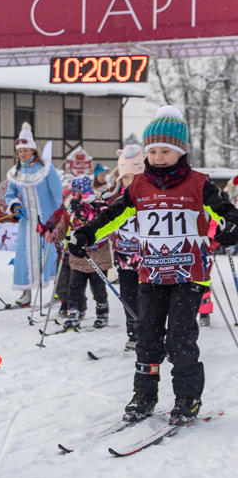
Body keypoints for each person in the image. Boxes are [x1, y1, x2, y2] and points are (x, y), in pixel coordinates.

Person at [70, 106, 238, 424]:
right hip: (153, 272)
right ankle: (144, 394)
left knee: (180, 336)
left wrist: (232, 224)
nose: (158, 157)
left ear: (180, 151)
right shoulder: (139, 187)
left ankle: (187, 396)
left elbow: (227, 211)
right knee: (147, 335)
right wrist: (86, 233)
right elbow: (111, 215)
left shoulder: (199, 184)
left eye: (165, 151)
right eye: (153, 151)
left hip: (189, 274)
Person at [5, 124, 63, 305]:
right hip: (27, 223)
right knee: (24, 257)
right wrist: (15, 206)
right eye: (19, 151)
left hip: (48, 221)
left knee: (51, 254)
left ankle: (59, 291)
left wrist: (61, 216)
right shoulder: (15, 172)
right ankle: (26, 294)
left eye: (25, 150)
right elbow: (9, 194)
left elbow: (58, 192)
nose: (22, 154)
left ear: (33, 150)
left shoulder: (46, 168)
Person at [54, 176, 112, 330]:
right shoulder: (71, 210)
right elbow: (62, 227)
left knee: (98, 287)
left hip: (97, 257)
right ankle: (74, 313)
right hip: (78, 257)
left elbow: (104, 224)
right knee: (74, 287)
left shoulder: (99, 206)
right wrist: (55, 234)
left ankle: (102, 313)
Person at [106, 144, 144, 350]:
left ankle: (148, 333)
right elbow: (99, 219)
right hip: (124, 257)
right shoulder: (116, 200)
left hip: (148, 258)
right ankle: (133, 333)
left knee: (146, 297)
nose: (131, 182)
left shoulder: (149, 198)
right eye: (127, 177)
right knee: (128, 297)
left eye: (136, 177)